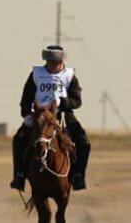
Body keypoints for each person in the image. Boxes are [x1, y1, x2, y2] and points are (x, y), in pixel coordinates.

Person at [9, 45, 91, 191]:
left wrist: (63, 102)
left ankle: (78, 175)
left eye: (56, 63)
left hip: (63, 116)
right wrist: (27, 115)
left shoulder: (69, 75)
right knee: (19, 139)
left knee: (84, 142)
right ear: (46, 61)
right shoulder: (36, 74)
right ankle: (19, 176)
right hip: (39, 116)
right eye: (50, 62)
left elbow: (77, 100)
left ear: (62, 62)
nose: (53, 66)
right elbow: (26, 98)